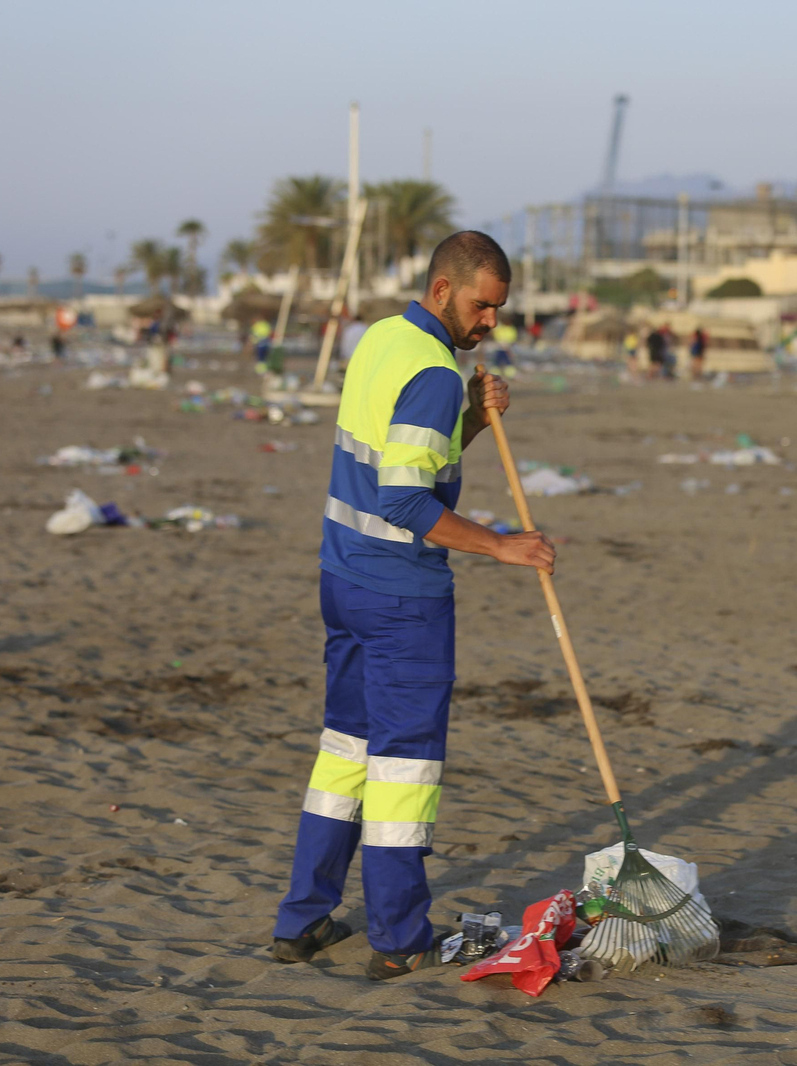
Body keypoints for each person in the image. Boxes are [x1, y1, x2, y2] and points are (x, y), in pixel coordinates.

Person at [271, 231, 556, 981]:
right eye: (482, 305)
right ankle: (398, 939)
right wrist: (503, 545)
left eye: (498, 309)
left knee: (346, 755)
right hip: (401, 597)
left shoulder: (381, 339)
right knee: (403, 770)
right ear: (442, 291)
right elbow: (404, 499)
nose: (491, 321)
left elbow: (411, 461)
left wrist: (470, 415)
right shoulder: (430, 369)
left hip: (344, 580)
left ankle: (301, 921)